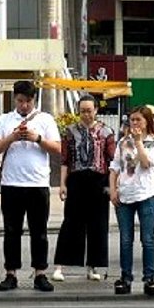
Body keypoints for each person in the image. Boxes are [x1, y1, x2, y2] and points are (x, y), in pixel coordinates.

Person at [0, 80, 61, 292]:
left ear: (34, 100)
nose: (24, 106)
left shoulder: (45, 119)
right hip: (11, 183)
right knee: (11, 231)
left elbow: (57, 148)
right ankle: (11, 273)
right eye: (20, 101)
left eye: (28, 101)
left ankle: (40, 273)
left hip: (38, 183)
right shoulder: (4, 120)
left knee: (39, 231)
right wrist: (11, 137)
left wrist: (37, 138)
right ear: (15, 99)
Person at [52, 95, 116, 282]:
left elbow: (112, 160)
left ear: (96, 110)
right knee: (71, 222)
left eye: (89, 110)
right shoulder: (70, 132)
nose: (86, 114)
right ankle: (60, 265)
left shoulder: (106, 132)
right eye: (82, 111)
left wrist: (112, 185)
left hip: (99, 180)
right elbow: (65, 160)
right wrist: (63, 184)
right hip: (76, 179)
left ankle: (93, 266)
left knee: (98, 224)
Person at [109, 106, 154, 295]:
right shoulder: (123, 142)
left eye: (138, 120)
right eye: (132, 120)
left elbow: (147, 163)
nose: (134, 123)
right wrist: (113, 189)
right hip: (125, 194)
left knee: (147, 239)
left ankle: (149, 278)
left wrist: (139, 142)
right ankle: (125, 277)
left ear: (147, 121)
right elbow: (115, 167)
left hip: (145, 195)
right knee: (125, 239)